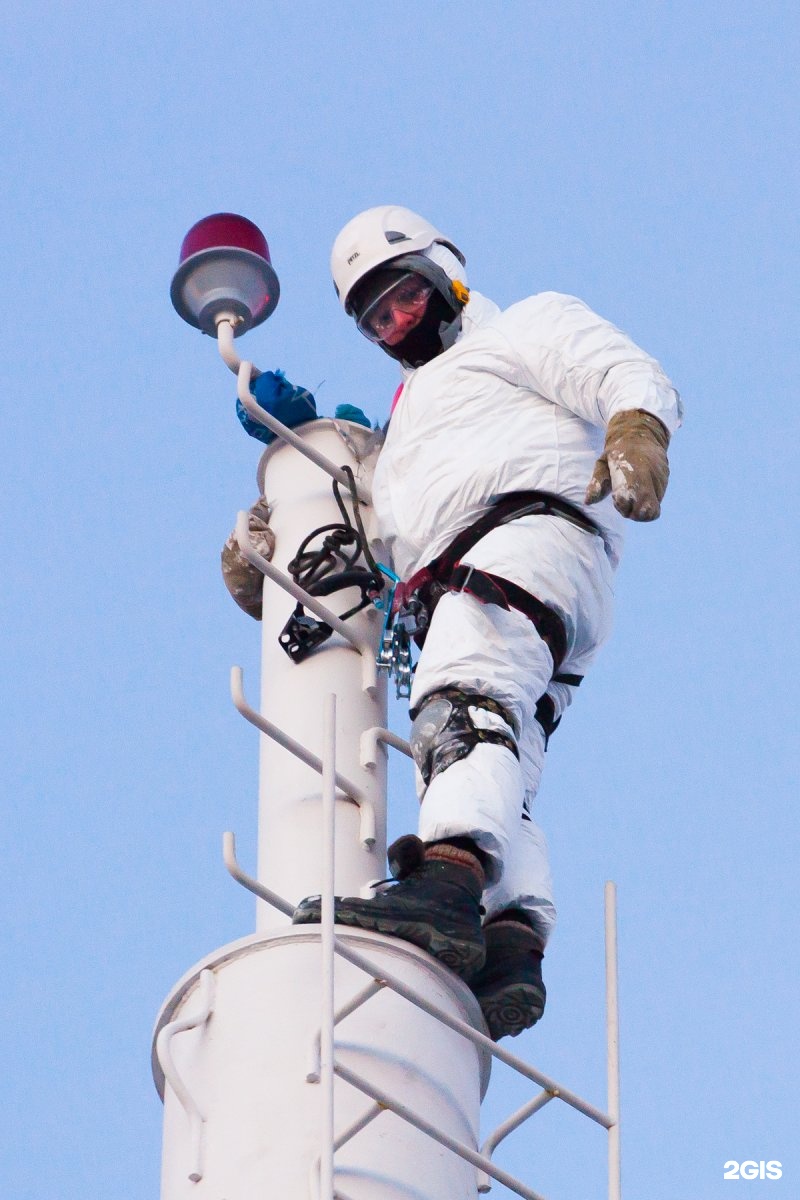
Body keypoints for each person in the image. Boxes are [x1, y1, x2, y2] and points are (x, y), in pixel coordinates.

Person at [293, 205, 682, 1040]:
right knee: (496, 747)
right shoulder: (402, 436)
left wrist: (637, 429)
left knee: (464, 703)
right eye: (376, 318)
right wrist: (283, 497)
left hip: (526, 538)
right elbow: (366, 535)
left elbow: (618, 367)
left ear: (444, 276)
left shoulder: (515, 333)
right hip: (488, 582)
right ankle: (511, 939)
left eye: (404, 297)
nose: (398, 324)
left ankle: (448, 883)